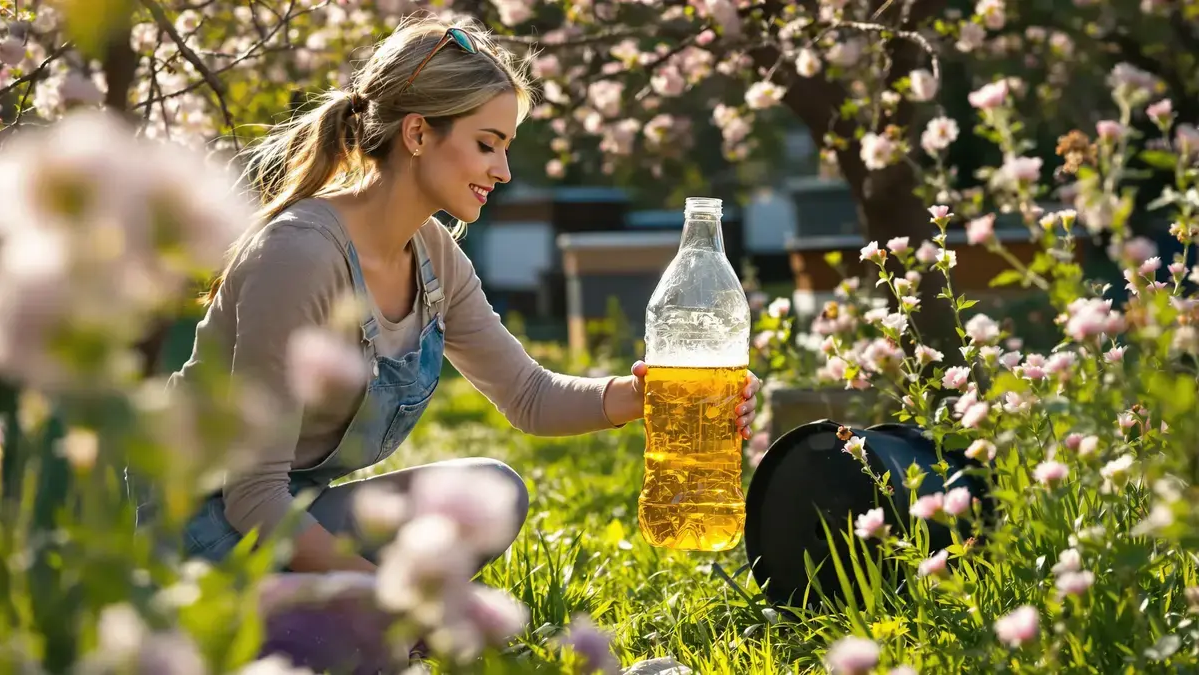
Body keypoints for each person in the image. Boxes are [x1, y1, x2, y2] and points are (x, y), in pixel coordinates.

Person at [142, 15, 761, 575]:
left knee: (495, 493)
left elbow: (529, 397)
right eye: (487, 144)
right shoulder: (300, 254)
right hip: (193, 536)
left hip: (288, 518)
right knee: (365, 625)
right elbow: (253, 493)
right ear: (417, 133)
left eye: (506, 148)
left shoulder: (432, 253)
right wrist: (385, 596)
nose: (503, 171)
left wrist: (649, 396)